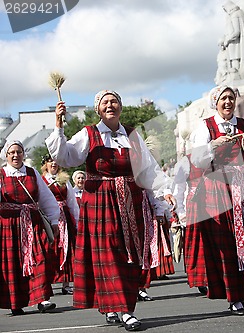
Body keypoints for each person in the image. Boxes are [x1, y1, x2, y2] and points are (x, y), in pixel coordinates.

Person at [45, 90, 174, 331]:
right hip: (100, 203)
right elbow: (65, 156)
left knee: (130, 255)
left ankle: (115, 305)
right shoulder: (89, 134)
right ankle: (125, 310)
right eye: (105, 102)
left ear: (121, 107)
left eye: (114, 101)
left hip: (130, 201)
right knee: (108, 254)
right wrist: (59, 126)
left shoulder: (132, 136)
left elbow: (148, 171)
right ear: (98, 109)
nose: (110, 105)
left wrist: (162, 196)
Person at [190, 85, 244, 315]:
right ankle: (233, 296)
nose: (228, 102)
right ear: (215, 102)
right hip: (217, 189)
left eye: (231, 98)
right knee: (227, 244)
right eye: (223, 98)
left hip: (243, 188)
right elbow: (198, 161)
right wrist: (212, 147)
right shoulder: (206, 127)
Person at [0, 140, 60, 316]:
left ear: (23, 153)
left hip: (33, 224)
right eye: (12, 152)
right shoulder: (1, 175)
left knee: (40, 258)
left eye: (19, 152)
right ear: (6, 155)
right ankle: (15, 302)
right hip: (9, 226)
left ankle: (42, 299)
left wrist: (54, 220)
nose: (15, 155)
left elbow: (47, 199)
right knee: (13, 263)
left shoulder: (32, 173)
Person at [41, 155, 79, 296]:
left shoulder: (64, 180)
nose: (54, 164)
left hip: (65, 217)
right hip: (48, 219)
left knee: (67, 249)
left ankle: (66, 282)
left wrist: (76, 221)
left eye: (56, 161)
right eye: (50, 161)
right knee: (49, 250)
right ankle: (48, 282)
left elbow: (72, 201)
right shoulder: (42, 180)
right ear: (46, 164)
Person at [172, 153, 209, 295]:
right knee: (197, 245)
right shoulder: (186, 162)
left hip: (215, 202)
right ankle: (200, 278)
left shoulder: (215, 157)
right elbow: (179, 189)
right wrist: (181, 212)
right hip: (195, 206)